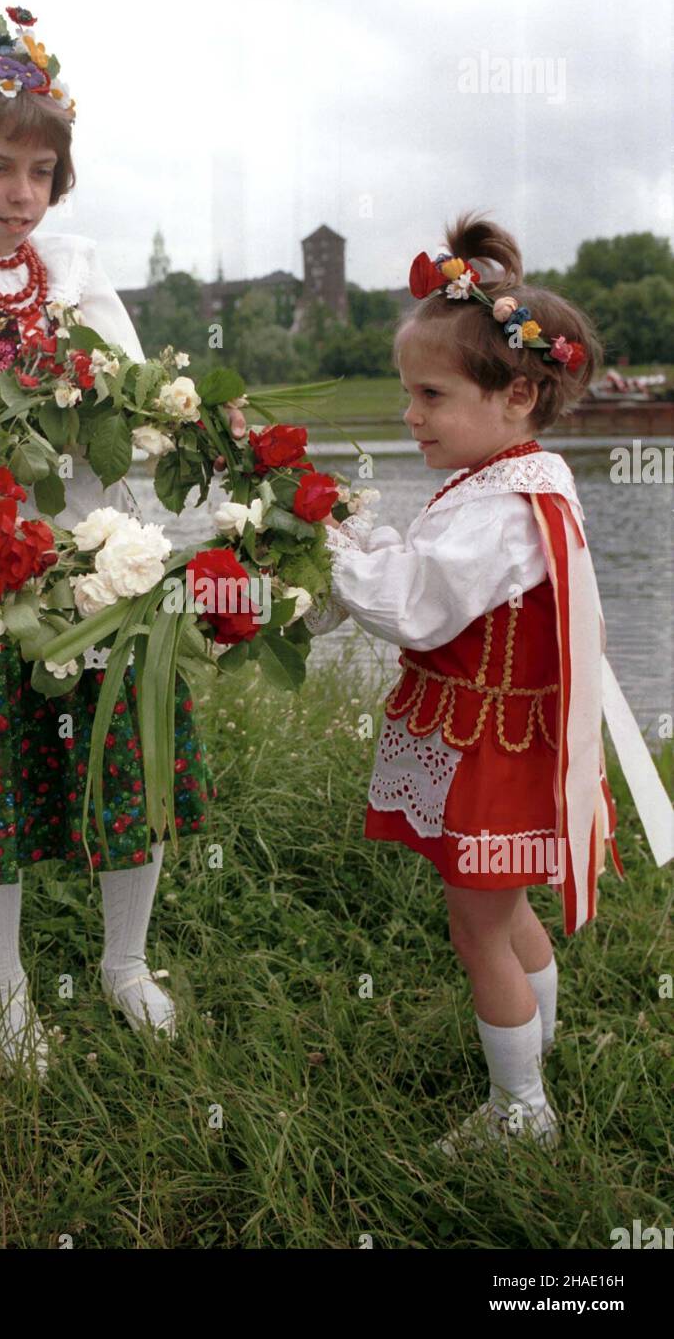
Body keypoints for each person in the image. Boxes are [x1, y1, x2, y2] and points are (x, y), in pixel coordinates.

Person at [0, 5, 246, 1079]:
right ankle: (8, 985)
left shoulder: (72, 271)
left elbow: (133, 394)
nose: (20, 193)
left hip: (104, 550)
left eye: (40, 171)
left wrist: (187, 418)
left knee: (128, 755)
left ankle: (127, 964)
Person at [305, 211, 646, 1155]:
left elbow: (416, 606)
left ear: (518, 396)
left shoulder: (504, 507)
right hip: (490, 739)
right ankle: (537, 1048)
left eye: (429, 394)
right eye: (406, 392)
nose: (409, 414)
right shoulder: (509, 480)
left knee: (477, 928)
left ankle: (520, 1111)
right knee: (504, 910)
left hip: (491, 750)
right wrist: (363, 536)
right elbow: (426, 569)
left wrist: (326, 549)